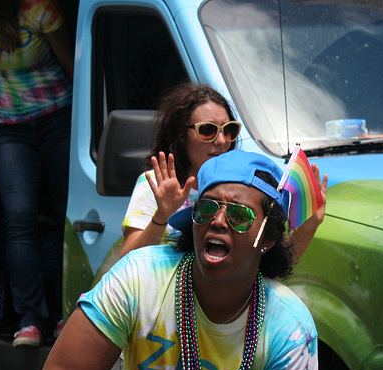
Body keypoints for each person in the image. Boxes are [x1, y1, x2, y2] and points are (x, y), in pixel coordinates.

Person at [35, 149, 322, 370]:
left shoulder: (290, 330)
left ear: (266, 239)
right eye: (207, 209)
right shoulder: (140, 277)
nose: (217, 221)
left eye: (239, 216)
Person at [120, 82, 327, 264]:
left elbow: (267, 269)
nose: (221, 141)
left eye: (229, 130)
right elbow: (125, 266)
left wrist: (310, 225)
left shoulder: (244, 187)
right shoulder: (156, 187)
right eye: (207, 130)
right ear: (181, 135)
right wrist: (162, 215)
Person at [0, 0, 74, 346]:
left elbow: (73, 66)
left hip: (56, 118)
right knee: (19, 218)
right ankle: (29, 320)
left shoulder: (39, 9)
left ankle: (62, 312)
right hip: (7, 128)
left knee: (62, 216)